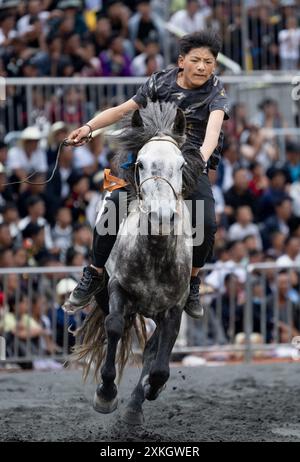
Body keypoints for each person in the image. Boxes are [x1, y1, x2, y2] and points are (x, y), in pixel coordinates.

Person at [64, 30, 229, 319]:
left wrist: (197, 162)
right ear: (182, 61)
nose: (203, 67)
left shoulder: (216, 90)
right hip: (146, 159)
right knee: (112, 206)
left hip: (188, 164)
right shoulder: (159, 81)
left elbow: (212, 133)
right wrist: (89, 128)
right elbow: (122, 110)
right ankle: (94, 273)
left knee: (206, 223)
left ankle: (191, 282)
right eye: (196, 60)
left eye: (209, 62)